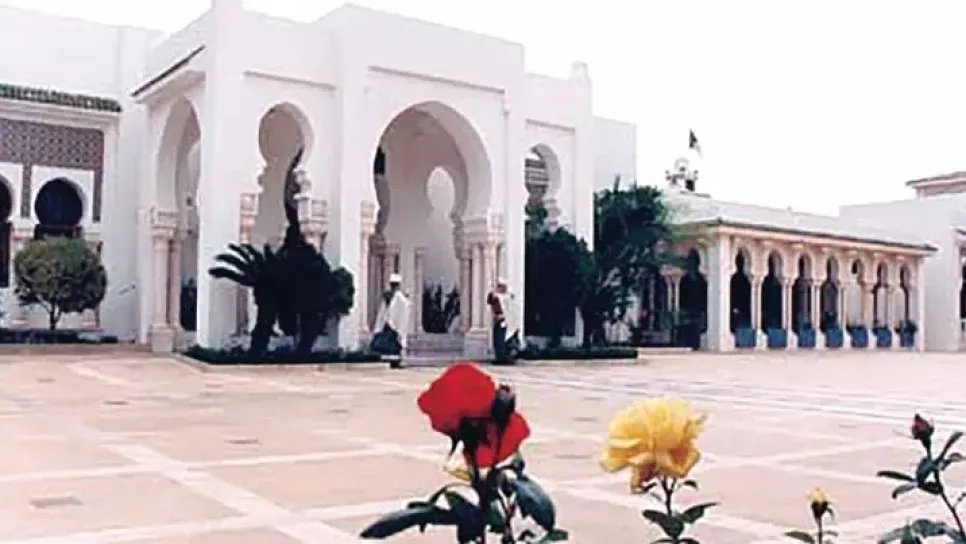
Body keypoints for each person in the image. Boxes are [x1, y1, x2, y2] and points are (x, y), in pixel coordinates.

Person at [370, 273, 411, 368]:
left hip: (389, 323)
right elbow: (404, 305)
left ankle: (394, 362)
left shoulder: (390, 295)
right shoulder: (397, 296)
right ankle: (395, 362)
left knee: (393, 344)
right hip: (392, 324)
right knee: (393, 344)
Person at [486, 278, 522, 364]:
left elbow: (512, 310)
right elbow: (490, 301)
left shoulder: (508, 297)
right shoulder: (495, 296)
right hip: (499, 321)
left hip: (507, 322)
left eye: (501, 286)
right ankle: (499, 357)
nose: (499, 288)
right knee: (498, 340)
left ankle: (506, 358)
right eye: (498, 286)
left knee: (505, 340)